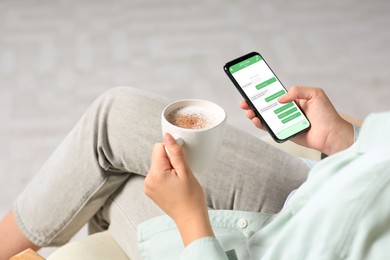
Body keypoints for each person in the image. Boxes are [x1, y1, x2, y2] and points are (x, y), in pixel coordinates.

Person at [0, 86, 389, 260]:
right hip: (320, 196)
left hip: (280, 245)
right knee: (115, 113)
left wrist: (190, 221)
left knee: (124, 188)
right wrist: (343, 141)